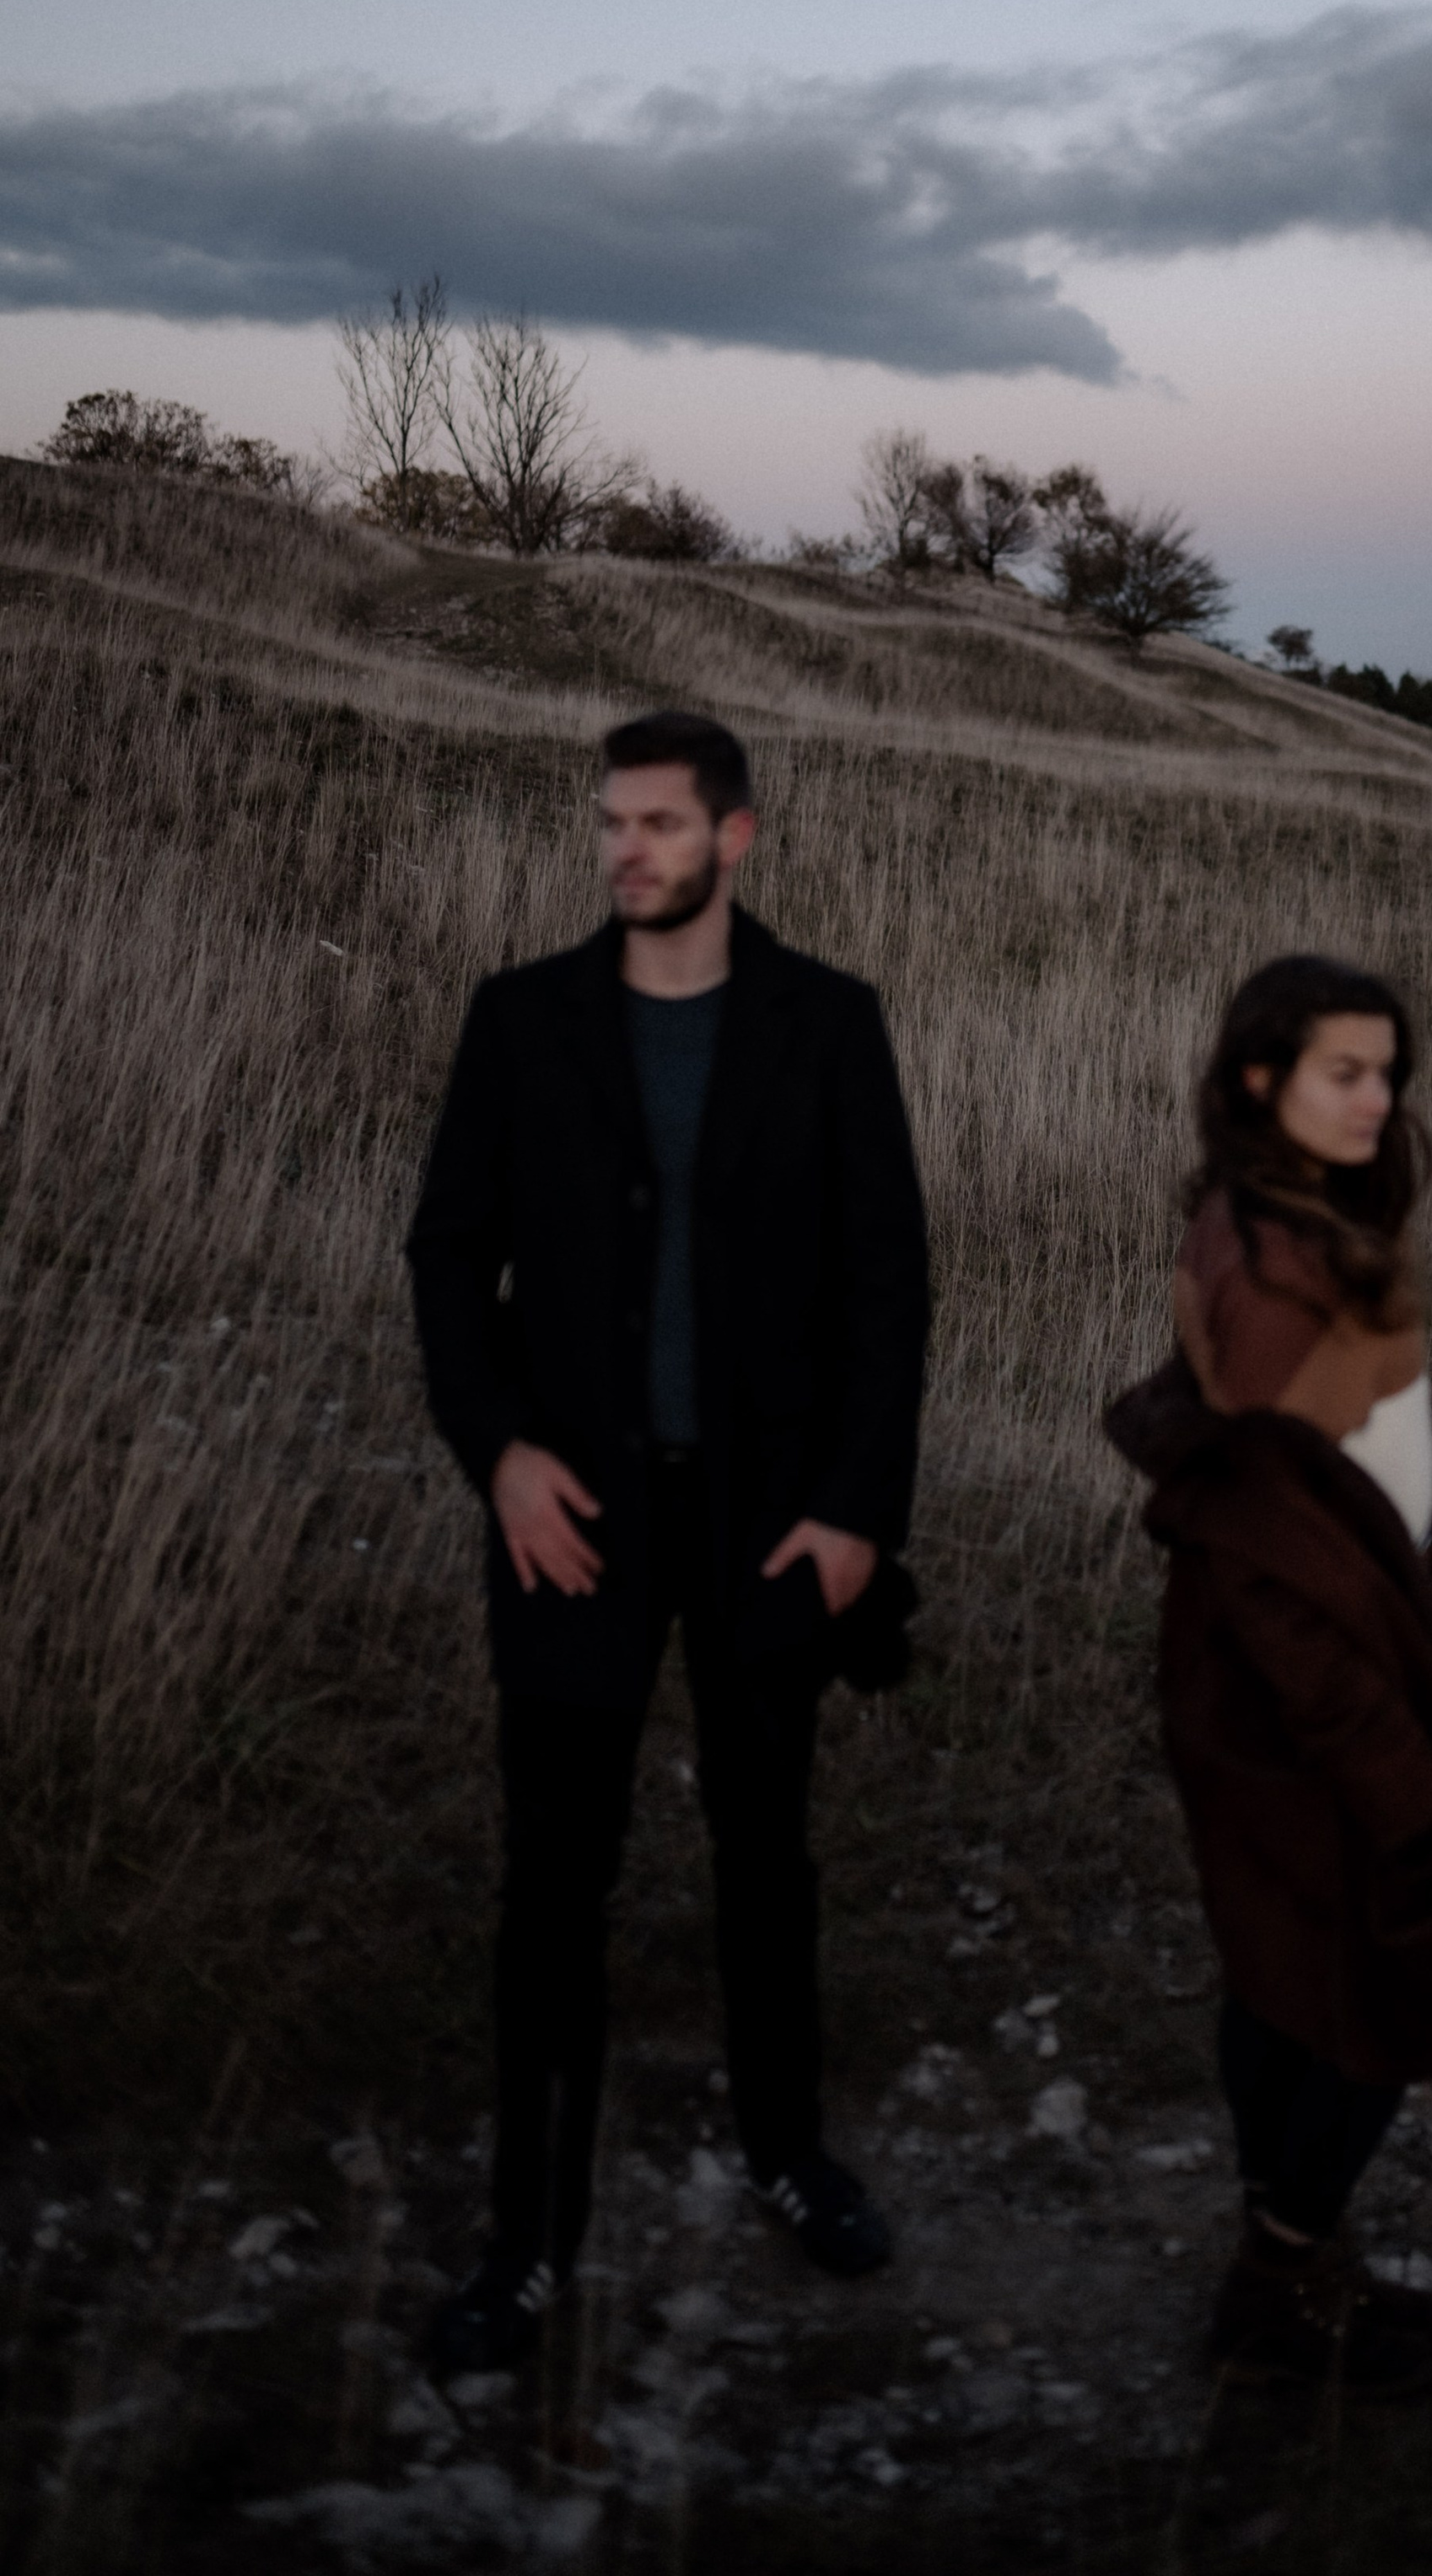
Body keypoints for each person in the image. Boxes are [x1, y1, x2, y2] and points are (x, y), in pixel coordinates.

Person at [407, 709, 931, 2372]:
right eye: (609, 821)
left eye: (657, 823)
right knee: (554, 1880)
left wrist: (854, 1509)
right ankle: (527, 2239)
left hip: (770, 1522)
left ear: (735, 837)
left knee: (766, 1855)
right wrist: (498, 1457)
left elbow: (889, 1286)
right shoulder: (522, 1020)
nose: (623, 848)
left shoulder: (828, 1023)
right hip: (575, 1516)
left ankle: (788, 2151)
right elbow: (447, 1258)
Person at [1105, 955, 1432, 2392]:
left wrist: (1424, 1499)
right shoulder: (1277, 1278)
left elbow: (1326, 1477)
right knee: (1382, 1986)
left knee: (1289, 1968)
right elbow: (1274, 1580)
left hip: (1331, 1648)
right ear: (1259, 1080)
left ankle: (1284, 2254)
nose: (1377, 1098)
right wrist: (1402, 1781)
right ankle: (1282, 2286)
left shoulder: (1276, 1217)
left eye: (1387, 1072)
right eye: (1342, 1072)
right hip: (1314, 1697)